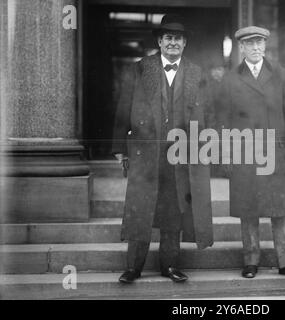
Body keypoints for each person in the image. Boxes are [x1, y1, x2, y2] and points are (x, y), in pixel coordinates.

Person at [112, 14, 214, 284]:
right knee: (140, 208)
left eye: (177, 38)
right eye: (168, 38)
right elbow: (124, 106)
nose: (172, 43)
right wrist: (119, 146)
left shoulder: (196, 72)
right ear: (159, 41)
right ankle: (134, 267)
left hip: (180, 153)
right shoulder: (141, 67)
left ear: (185, 43)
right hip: (146, 152)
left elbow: (208, 113)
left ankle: (169, 265)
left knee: (173, 211)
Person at [217, 26, 285, 281]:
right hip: (244, 152)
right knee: (249, 209)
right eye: (250, 44)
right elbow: (222, 118)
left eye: (260, 43)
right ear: (241, 48)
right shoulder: (230, 78)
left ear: (266, 46)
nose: (256, 48)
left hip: (277, 153)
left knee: (282, 210)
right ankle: (251, 260)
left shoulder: (281, 75)